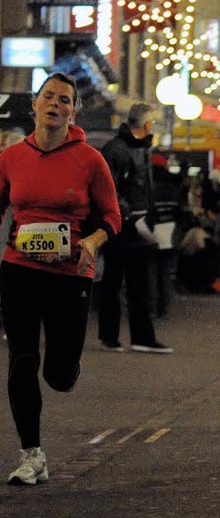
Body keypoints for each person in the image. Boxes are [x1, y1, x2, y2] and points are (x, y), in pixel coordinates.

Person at [0, 73, 120, 485]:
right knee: (22, 359)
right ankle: (32, 455)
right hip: (19, 270)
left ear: (73, 110)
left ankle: (67, 368)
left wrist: (93, 239)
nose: (55, 104)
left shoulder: (90, 159)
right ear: (34, 104)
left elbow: (112, 216)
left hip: (70, 274)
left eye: (64, 100)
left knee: (58, 375)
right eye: (48, 97)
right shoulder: (12, 157)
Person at [97, 103, 173, 354]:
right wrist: (130, 216)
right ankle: (114, 336)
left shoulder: (135, 148)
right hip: (122, 224)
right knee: (116, 281)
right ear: (146, 125)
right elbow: (110, 189)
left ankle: (135, 337)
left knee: (134, 283)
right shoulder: (121, 150)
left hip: (134, 224)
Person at [148, 154, 181, 317]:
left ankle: (153, 306)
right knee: (166, 272)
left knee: (152, 272)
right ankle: (164, 306)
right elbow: (180, 213)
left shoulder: (149, 188)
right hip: (171, 233)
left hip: (153, 234)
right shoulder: (174, 189)